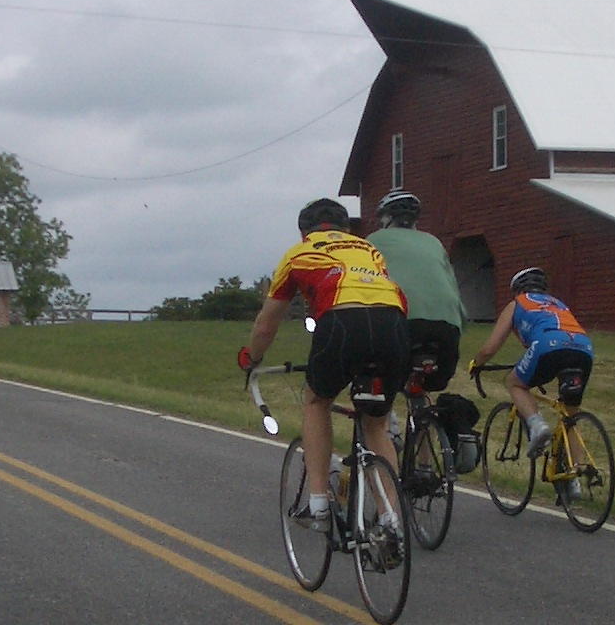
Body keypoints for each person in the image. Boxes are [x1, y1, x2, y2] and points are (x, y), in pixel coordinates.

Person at [238, 197, 411, 528]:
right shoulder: (369, 249)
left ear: (304, 231)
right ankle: (390, 519)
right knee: (376, 423)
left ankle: (318, 501)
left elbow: (266, 323)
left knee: (317, 402)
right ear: (347, 229)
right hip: (393, 323)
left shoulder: (299, 253)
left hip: (341, 320)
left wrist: (252, 358)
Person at [466, 266, 594, 458]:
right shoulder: (558, 304)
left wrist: (476, 363)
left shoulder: (517, 304)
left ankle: (537, 426)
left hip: (548, 345)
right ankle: (578, 470)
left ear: (517, 290)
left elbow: (489, 349)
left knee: (514, 382)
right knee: (571, 415)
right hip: (584, 349)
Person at [366, 189, 465, 392]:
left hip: (400, 321)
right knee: (435, 384)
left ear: (387, 217)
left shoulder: (373, 240)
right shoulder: (434, 242)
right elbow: (452, 284)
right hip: (447, 326)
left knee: (379, 381)